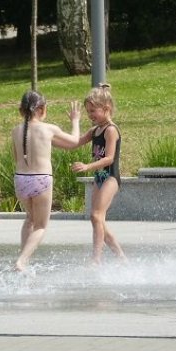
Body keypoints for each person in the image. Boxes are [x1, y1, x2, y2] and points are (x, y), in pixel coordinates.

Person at [11, 90, 82, 272]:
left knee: (30, 219)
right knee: (41, 225)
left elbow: (15, 156)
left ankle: (23, 257)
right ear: (42, 109)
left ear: (21, 110)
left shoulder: (16, 131)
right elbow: (74, 142)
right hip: (41, 180)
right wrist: (75, 121)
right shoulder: (49, 129)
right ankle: (22, 261)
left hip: (20, 180)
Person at [71, 84, 127, 264]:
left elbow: (109, 158)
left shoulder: (111, 130)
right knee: (97, 219)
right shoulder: (95, 131)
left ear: (107, 108)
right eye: (88, 112)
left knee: (96, 216)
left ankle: (96, 259)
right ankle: (122, 258)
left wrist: (88, 166)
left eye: (93, 111)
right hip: (100, 178)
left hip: (110, 177)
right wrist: (75, 121)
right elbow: (75, 142)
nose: (90, 115)